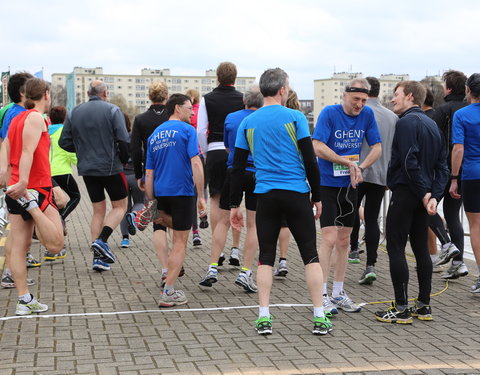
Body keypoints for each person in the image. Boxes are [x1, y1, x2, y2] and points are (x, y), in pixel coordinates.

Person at [230, 68, 332, 336]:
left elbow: (237, 168)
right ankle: (319, 316)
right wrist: (317, 196)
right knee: (310, 255)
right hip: (296, 193)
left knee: (265, 258)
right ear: (282, 90)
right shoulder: (295, 116)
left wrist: (233, 205)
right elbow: (310, 160)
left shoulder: (247, 123)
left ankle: (264, 316)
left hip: (265, 195)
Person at [375, 81, 449, 324]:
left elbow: (409, 161)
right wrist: (433, 195)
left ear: (409, 96)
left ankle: (402, 307)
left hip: (408, 192)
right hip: (423, 194)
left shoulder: (406, 122)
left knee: (395, 246)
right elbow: (442, 167)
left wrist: (425, 194)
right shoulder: (432, 124)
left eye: (396, 95)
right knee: (420, 249)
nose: (392, 99)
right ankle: (424, 305)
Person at [312, 79, 382, 314]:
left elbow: (377, 147)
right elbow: (317, 145)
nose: (360, 105)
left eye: (363, 100)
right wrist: (345, 162)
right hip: (327, 184)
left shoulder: (368, 115)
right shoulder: (329, 114)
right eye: (356, 100)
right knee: (329, 239)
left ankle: (338, 292)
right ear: (345, 96)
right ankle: (320, 294)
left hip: (350, 185)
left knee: (344, 241)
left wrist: (360, 166)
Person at [2, 77, 64, 315]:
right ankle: (32, 207)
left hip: (17, 187)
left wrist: (7, 175)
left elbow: (5, 147)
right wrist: (25, 184)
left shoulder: (17, 119)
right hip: (34, 188)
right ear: (46, 94)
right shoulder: (37, 118)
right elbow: (27, 152)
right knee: (56, 243)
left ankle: (24, 299)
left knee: (18, 245)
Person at [59, 80, 129, 272]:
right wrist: (124, 159)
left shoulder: (74, 112)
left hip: (87, 169)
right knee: (120, 206)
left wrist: (82, 150)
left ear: (88, 93)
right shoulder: (113, 110)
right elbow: (123, 139)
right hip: (110, 167)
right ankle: (102, 240)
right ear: (105, 92)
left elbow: (64, 143)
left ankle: (98, 260)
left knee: (98, 210)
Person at [199, 85, 263, 292]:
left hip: (233, 171)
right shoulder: (265, 119)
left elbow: (227, 147)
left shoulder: (231, 117)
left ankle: (212, 267)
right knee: (253, 224)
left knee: (224, 221)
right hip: (256, 173)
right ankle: (246, 272)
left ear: (244, 100)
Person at [145, 94, 206, 307]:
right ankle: (168, 291)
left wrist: (150, 203)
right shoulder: (187, 131)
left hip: (161, 192)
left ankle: (169, 274)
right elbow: (196, 163)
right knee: (180, 242)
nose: (192, 112)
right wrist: (201, 196)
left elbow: (149, 174)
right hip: (182, 191)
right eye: (189, 108)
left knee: (171, 227)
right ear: (177, 109)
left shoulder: (154, 135)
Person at [348, 77, 397, 285]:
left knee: (351, 210)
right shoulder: (393, 117)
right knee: (372, 218)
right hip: (381, 173)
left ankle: (353, 251)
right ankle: (371, 264)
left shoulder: (358, 113)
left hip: (357, 171)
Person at [197, 62, 244, 265]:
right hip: (238, 151)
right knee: (236, 200)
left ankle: (219, 250)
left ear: (217, 77)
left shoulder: (207, 99)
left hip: (215, 150)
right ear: (235, 77)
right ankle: (235, 249)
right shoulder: (243, 99)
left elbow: (200, 130)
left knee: (215, 200)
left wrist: (206, 152)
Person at [0, 72, 40, 288]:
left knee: (19, 232)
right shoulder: (18, 114)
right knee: (17, 233)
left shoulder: (15, 112)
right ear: (23, 92)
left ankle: (14, 269)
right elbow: (10, 146)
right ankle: (11, 273)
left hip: (18, 177)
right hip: (20, 179)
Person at [130, 81, 171, 284]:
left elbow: (136, 150)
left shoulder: (141, 119)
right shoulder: (172, 117)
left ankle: (165, 267)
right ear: (166, 96)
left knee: (158, 223)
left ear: (149, 96)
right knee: (178, 223)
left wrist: (140, 176)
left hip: (153, 175)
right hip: (175, 175)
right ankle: (177, 260)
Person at [432, 70, 468, 279]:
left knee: (426, 207)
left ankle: (446, 244)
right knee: (454, 216)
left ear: (449, 88)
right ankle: (459, 262)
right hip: (465, 170)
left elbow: (434, 140)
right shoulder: (469, 109)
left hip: (443, 169)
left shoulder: (443, 110)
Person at [449, 73, 480, 293]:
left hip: (472, 174)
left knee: (476, 226)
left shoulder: (462, 115)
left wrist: (453, 178)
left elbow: (458, 148)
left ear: (468, 90)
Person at [47, 105, 81, 260]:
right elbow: (70, 152)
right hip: (62, 172)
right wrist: (80, 163)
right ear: (65, 118)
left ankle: (51, 234)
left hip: (48, 174)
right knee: (76, 196)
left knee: (51, 204)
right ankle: (61, 218)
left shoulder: (46, 132)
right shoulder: (64, 132)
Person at [272, 89, 299, 278]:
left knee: (269, 221)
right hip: (293, 179)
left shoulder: (275, 120)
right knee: (285, 223)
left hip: (272, 177)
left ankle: (267, 259)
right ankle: (283, 259)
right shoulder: (298, 121)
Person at [118, 113, 144, 248]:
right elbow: (141, 153)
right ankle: (134, 215)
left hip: (121, 176)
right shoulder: (133, 136)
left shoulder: (114, 138)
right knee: (141, 201)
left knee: (123, 208)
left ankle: (125, 239)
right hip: (135, 174)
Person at [185, 88, 204, 246]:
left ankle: (195, 231)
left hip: (185, 156)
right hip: (200, 154)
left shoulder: (185, 114)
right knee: (201, 192)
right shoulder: (201, 112)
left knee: (190, 196)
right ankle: (203, 216)